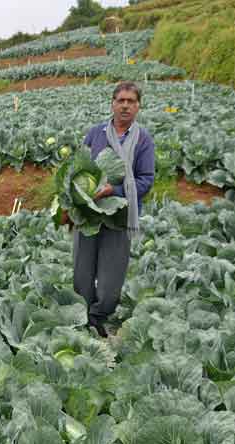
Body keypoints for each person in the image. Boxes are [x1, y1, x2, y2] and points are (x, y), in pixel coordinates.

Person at [73, 81, 155, 338]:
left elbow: (145, 180)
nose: (125, 105)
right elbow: (78, 168)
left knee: (110, 284)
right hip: (89, 214)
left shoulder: (143, 140)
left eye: (131, 101)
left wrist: (114, 192)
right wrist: (73, 202)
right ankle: (83, 319)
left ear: (138, 106)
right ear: (112, 103)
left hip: (119, 216)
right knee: (82, 274)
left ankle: (99, 315)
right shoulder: (95, 133)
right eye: (121, 100)